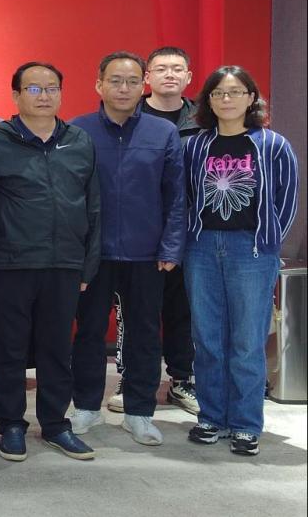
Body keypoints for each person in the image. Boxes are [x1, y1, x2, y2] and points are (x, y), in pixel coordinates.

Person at [0, 62, 100, 462]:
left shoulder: (79, 141)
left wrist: (87, 264)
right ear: (16, 95)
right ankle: (11, 425)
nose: (44, 95)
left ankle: (55, 425)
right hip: (10, 263)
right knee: (9, 349)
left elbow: (94, 205)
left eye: (52, 88)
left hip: (64, 263)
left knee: (56, 349)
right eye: (34, 89)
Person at [69, 52, 185, 446]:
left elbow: (175, 195)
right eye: (115, 80)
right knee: (87, 332)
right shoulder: (78, 130)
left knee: (145, 335)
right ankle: (86, 406)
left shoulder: (162, 132)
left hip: (146, 253)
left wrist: (171, 246)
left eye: (133, 81)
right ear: (99, 84)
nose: (124, 88)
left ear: (143, 85)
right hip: (93, 253)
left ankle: (139, 412)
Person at [184, 66, 299, 457]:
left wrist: (268, 241)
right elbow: (186, 196)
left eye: (235, 92)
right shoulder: (195, 145)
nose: (226, 99)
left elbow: (287, 198)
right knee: (207, 339)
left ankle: (246, 424)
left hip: (251, 250)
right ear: (208, 100)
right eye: (218, 93)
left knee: (247, 342)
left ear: (251, 98)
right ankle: (212, 417)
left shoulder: (272, 145)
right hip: (201, 248)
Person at [108, 45, 200, 416]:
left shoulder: (205, 120)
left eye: (177, 68)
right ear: (148, 77)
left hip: (191, 230)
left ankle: (182, 380)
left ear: (189, 77)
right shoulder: (130, 115)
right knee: (132, 313)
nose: (169, 75)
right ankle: (128, 378)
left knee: (183, 309)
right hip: (137, 232)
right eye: (161, 69)